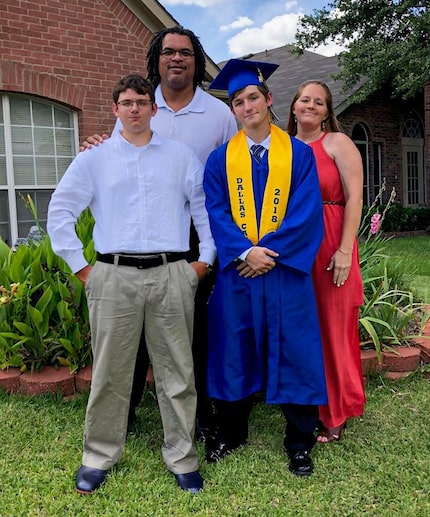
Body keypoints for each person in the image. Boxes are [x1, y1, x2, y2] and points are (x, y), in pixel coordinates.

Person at [47, 74, 216, 494]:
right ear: (115, 109)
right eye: (127, 102)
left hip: (171, 274)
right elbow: (61, 211)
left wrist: (203, 261)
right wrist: (84, 269)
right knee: (110, 372)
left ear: (153, 108)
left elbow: (203, 211)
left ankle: (182, 456)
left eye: (142, 101)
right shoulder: (94, 160)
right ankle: (98, 455)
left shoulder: (179, 157)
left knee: (177, 370)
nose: (135, 108)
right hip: (112, 275)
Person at [83, 26, 237, 438]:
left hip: (195, 235)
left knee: (195, 331)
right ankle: (124, 412)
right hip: (141, 234)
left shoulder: (219, 114)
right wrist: (95, 146)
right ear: (157, 58)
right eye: (168, 52)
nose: (176, 59)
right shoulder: (141, 106)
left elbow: (233, 172)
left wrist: (211, 253)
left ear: (196, 60)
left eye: (185, 53)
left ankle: (199, 415)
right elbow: (115, 160)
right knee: (130, 331)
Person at [203, 59, 328, 476]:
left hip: (284, 274)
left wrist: (267, 254)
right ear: (233, 110)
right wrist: (244, 253)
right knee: (233, 351)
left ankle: (299, 443)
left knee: (295, 351)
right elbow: (216, 213)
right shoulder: (220, 160)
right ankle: (231, 432)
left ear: (269, 99)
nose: (246, 106)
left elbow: (306, 212)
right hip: (240, 275)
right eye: (238, 101)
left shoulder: (300, 155)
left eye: (252, 97)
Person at [287, 80, 365, 443]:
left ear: (326, 110)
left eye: (319, 102)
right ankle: (307, 406)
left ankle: (335, 412)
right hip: (295, 247)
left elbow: (354, 199)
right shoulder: (282, 149)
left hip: (332, 242)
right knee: (305, 331)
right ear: (293, 106)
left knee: (334, 329)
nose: (311, 106)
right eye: (305, 99)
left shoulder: (337, 143)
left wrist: (345, 250)